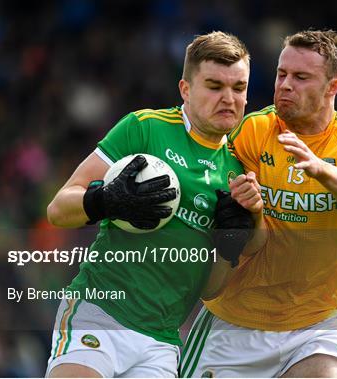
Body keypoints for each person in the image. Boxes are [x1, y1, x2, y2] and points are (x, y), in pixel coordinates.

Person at [45, 31, 264, 378]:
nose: (228, 98)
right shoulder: (144, 128)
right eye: (214, 85)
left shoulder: (236, 175)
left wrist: (229, 246)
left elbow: (210, 289)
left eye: (238, 88)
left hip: (161, 342)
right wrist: (106, 200)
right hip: (99, 312)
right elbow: (59, 209)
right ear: (186, 89)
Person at [181, 29, 337, 378]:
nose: (285, 85)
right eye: (282, 74)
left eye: (301, 77)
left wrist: (320, 169)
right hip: (233, 324)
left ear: (332, 87)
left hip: (312, 326)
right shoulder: (252, 129)